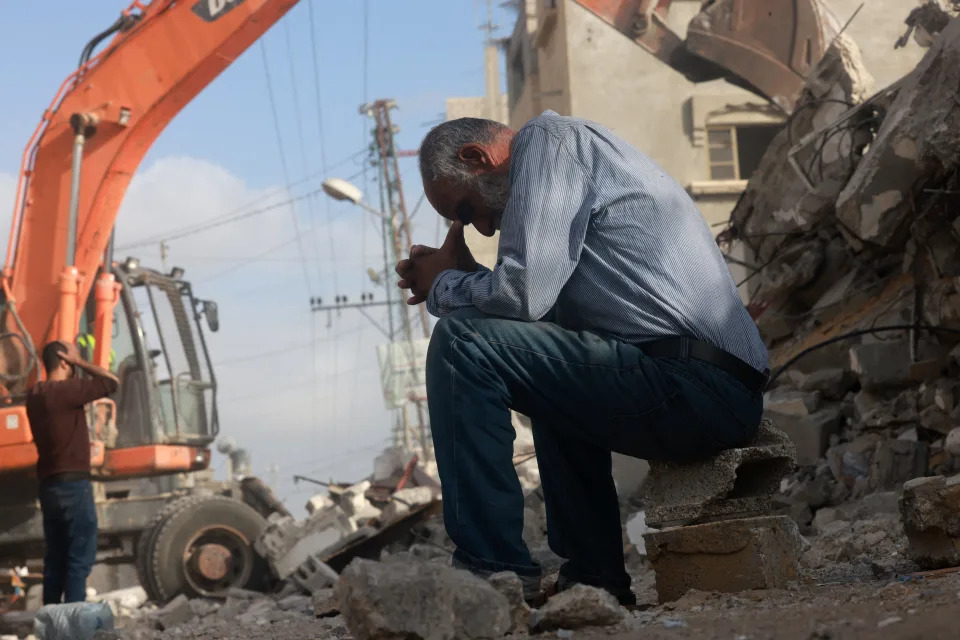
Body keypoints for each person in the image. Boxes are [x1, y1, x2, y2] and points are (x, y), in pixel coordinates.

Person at [396, 111, 770, 605]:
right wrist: (467, 276)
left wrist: (444, 287)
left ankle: (488, 573)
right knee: (546, 369)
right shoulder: (567, 174)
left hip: (698, 384)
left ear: (476, 157)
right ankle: (594, 583)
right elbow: (534, 323)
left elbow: (524, 294)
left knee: (462, 341)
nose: (482, 229)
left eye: (468, 211)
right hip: (699, 387)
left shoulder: (548, 141)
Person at [27, 341, 119, 604]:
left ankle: (54, 627)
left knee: (55, 562)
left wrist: (73, 368)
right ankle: (74, 629)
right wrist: (80, 362)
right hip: (74, 486)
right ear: (64, 361)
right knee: (78, 562)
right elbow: (111, 382)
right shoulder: (67, 392)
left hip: (49, 487)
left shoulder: (34, 396)